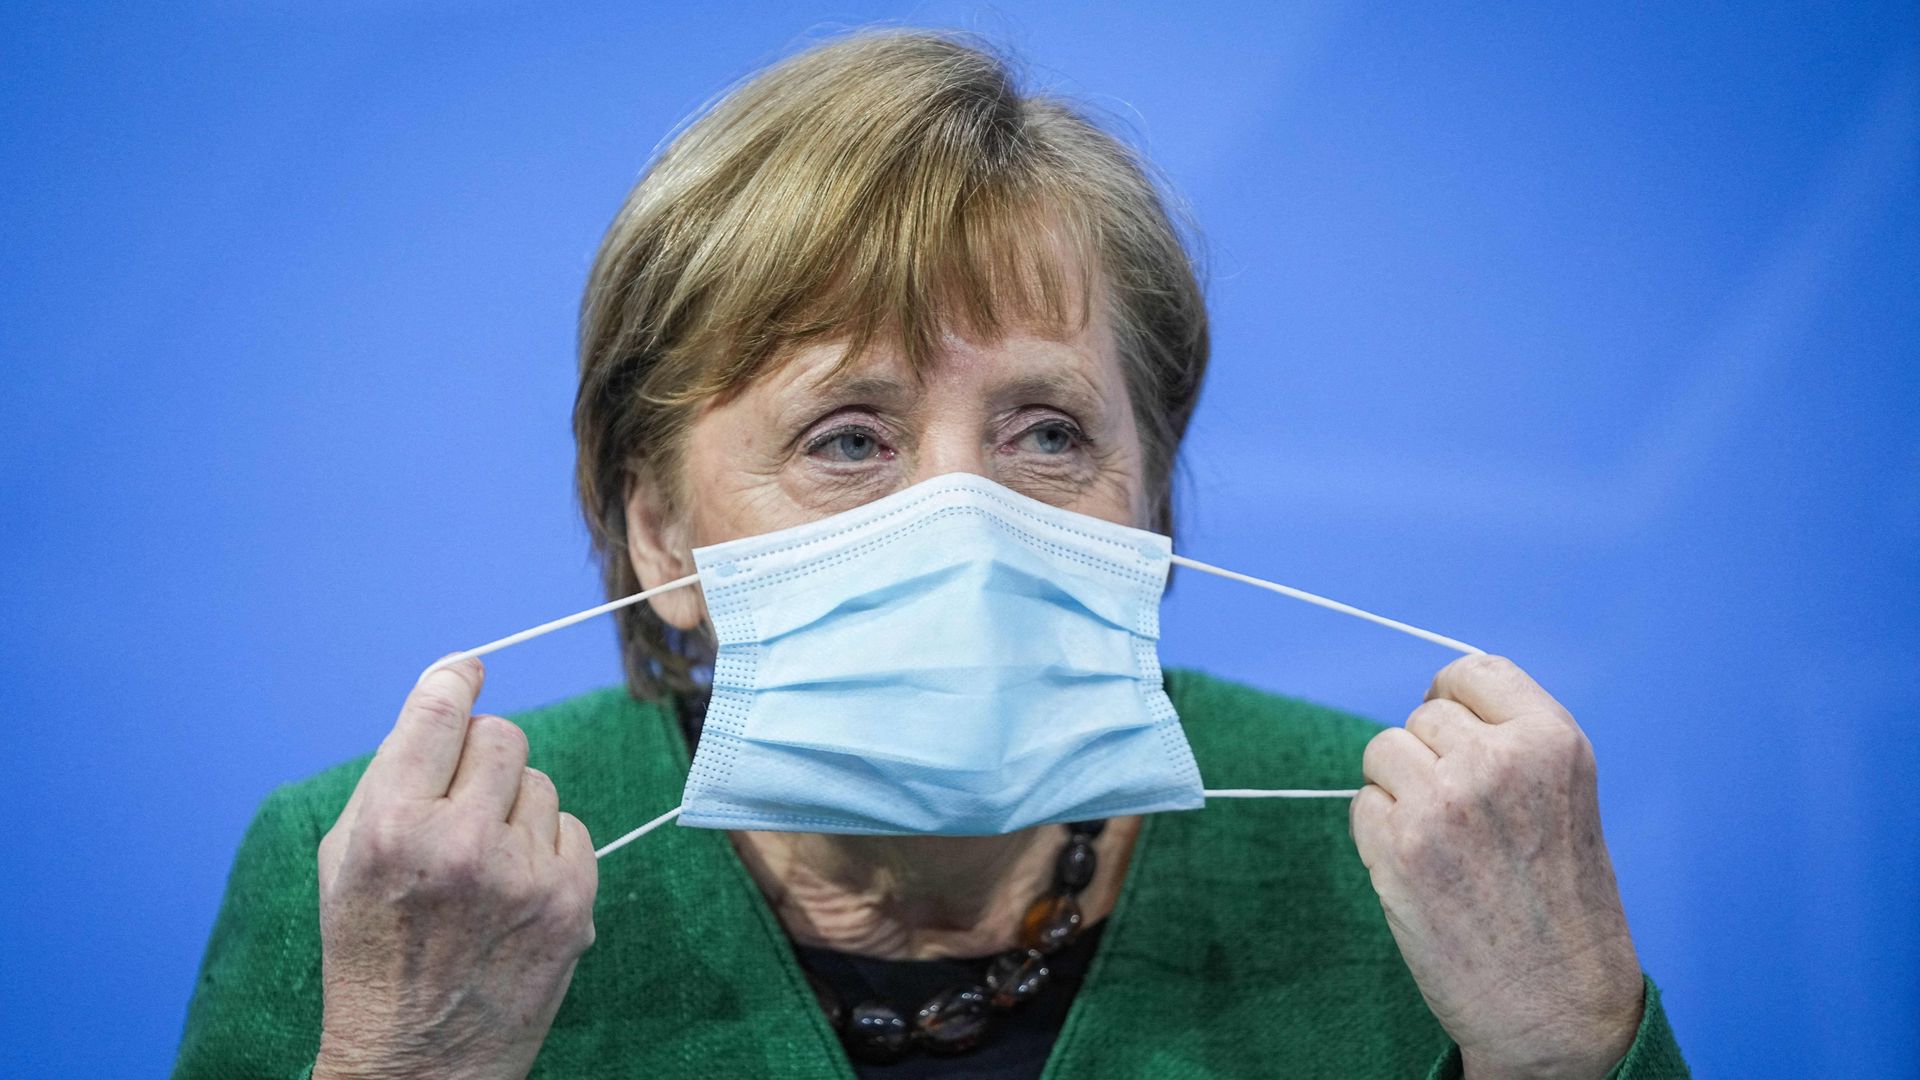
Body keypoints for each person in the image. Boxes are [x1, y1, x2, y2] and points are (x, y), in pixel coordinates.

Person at [173, 29, 1688, 1080]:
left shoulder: (1410, 863)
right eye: (851, 437)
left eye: (1046, 433)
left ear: (1151, 502)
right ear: (660, 530)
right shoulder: (387, 890)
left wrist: (1561, 1051)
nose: (966, 516)